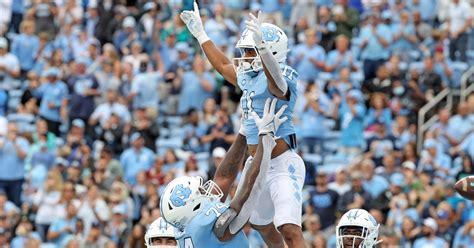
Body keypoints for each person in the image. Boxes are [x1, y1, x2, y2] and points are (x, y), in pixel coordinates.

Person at [180, 3, 305, 247]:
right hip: (254, 164)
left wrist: (264, 52)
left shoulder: (283, 74)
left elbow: (278, 86)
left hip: (281, 163)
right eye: (246, 51)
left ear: (270, 51)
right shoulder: (249, 75)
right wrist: (201, 35)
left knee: (289, 229)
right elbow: (225, 66)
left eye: (251, 51)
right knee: (259, 224)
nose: (245, 58)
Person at [160, 99, 287, 247]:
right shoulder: (205, 226)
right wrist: (266, 137)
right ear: (193, 206)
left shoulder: (184, 227)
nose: (206, 190)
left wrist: (243, 131)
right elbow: (247, 196)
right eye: (200, 191)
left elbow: (224, 177)